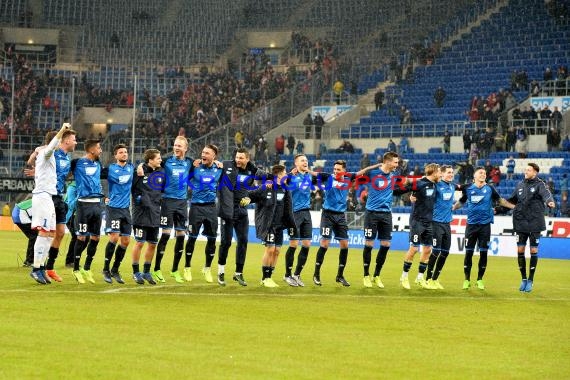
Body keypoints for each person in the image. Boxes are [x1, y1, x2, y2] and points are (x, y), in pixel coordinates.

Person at [311, 160, 381, 286]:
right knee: (325, 243)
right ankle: (316, 274)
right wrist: (303, 169)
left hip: (340, 216)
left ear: (344, 170)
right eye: (335, 169)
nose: (335, 171)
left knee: (344, 245)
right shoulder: (328, 177)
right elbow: (313, 174)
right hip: (327, 215)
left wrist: (378, 165)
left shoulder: (349, 176)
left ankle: (340, 275)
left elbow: (364, 171)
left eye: (338, 169)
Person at [27, 126, 77, 282]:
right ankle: (36, 268)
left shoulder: (54, 158)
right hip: (42, 196)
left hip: (50, 196)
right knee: (44, 232)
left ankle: (42, 267)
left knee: (50, 233)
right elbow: (49, 148)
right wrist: (62, 130)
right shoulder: (45, 153)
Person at [453, 167, 514, 290]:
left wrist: (513, 206)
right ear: (474, 176)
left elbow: (500, 200)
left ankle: (480, 279)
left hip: (485, 226)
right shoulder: (468, 188)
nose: (483, 174)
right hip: (471, 226)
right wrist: (452, 208)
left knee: (483, 253)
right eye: (480, 173)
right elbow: (462, 201)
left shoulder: (490, 188)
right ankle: (466, 280)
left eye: (484, 173)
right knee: (468, 253)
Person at [240, 164, 295, 287]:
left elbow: (288, 208)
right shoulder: (267, 187)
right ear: (279, 175)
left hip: (280, 226)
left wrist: (291, 225)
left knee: (277, 251)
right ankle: (265, 278)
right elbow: (251, 194)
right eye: (284, 172)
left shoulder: (285, 189)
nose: (286, 175)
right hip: (268, 224)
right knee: (270, 249)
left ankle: (270, 276)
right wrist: (247, 199)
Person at [216, 148, 264, 286]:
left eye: (241, 158)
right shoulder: (226, 165)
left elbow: (266, 179)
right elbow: (211, 163)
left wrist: (250, 198)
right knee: (226, 242)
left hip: (242, 211)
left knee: (243, 241)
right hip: (227, 210)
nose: (238, 160)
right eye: (237, 157)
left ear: (247, 159)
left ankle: (238, 273)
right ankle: (221, 271)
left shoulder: (252, 170)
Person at [360, 152, 408, 288]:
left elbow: (396, 191)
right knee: (369, 244)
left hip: (386, 214)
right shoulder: (373, 174)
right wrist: (373, 166)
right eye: (395, 162)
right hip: (372, 214)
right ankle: (366, 275)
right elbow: (358, 175)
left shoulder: (393, 176)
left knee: (386, 245)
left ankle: (376, 275)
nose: (397, 165)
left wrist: (410, 190)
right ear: (387, 162)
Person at [507, 163, 555, 293]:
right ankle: (523, 279)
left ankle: (530, 280)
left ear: (535, 172)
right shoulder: (520, 185)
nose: (526, 172)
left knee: (533, 250)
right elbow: (512, 200)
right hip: (520, 222)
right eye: (525, 170)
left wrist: (549, 201)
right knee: (520, 250)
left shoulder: (540, 184)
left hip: (534, 223)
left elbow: (546, 194)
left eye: (528, 170)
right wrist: (498, 208)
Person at [152, 136, 193, 283]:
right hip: (168, 202)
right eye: (175, 145)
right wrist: (141, 167)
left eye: (179, 146)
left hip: (182, 203)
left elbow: (204, 165)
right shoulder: (166, 161)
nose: (176, 148)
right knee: (165, 236)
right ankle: (156, 269)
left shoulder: (189, 163)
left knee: (181, 236)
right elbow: (151, 163)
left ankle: (175, 270)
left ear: (185, 148)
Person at [181, 144, 223, 283]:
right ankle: (187, 267)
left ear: (214, 156)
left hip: (211, 208)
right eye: (203, 152)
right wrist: (192, 188)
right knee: (192, 238)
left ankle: (207, 268)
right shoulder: (195, 166)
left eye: (207, 153)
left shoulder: (219, 169)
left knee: (212, 240)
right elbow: (184, 176)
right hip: (195, 207)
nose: (203, 155)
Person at [400, 163, 440, 290]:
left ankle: (419, 278)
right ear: (433, 172)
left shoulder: (435, 184)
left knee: (427, 250)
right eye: (439, 172)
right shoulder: (419, 183)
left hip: (429, 221)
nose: (440, 174)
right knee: (414, 249)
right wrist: (409, 197)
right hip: (417, 221)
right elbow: (404, 190)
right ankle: (404, 276)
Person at [72, 139, 104, 284]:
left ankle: (87, 268)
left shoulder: (98, 164)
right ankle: (76, 269)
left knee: (96, 238)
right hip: (83, 205)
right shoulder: (77, 163)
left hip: (97, 205)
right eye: (99, 148)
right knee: (81, 238)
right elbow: (60, 171)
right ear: (91, 150)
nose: (101, 150)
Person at [102, 144, 134, 284]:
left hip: (126, 210)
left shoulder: (131, 168)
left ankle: (115, 269)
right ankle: (105, 269)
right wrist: (103, 196)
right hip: (113, 208)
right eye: (121, 152)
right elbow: (94, 179)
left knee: (126, 241)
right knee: (114, 237)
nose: (124, 154)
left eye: (125, 152)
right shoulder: (109, 169)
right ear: (116, 156)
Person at [131, 149, 164, 285]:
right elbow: (133, 190)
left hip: (155, 213)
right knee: (139, 242)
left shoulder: (160, 173)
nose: (160, 160)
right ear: (150, 160)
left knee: (152, 244)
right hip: (141, 214)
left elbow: (160, 191)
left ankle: (146, 272)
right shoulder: (139, 172)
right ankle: (135, 272)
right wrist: (140, 201)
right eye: (158, 158)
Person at [425, 165, 460, 289]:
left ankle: (435, 279)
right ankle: (428, 279)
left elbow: (463, 188)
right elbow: (423, 185)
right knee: (436, 251)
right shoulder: (436, 185)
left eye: (452, 172)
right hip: (435, 223)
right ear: (442, 174)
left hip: (447, 224)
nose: (451, 174)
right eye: (449, 172)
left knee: (445, 252)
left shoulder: (452, 186)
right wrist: (413, 197)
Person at [283, 154, 315, 287]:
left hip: (306, 213)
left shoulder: (309, 176)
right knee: (293, 244)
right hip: (294, 214)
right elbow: (281, 182)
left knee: (307, 244)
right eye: (302, 160)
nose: (305, 162)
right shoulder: (291, 178)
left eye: (306, 160)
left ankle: (297, 274)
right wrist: (290, 174)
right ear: (296, 163)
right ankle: (287, 275)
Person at [12, 198, 37, 267]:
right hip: (20, 214)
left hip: (18, 212)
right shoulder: (44, 202)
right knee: (35, 237)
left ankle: (29, 261)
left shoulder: (40, 199)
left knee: (34, 237)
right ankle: (29, 261)